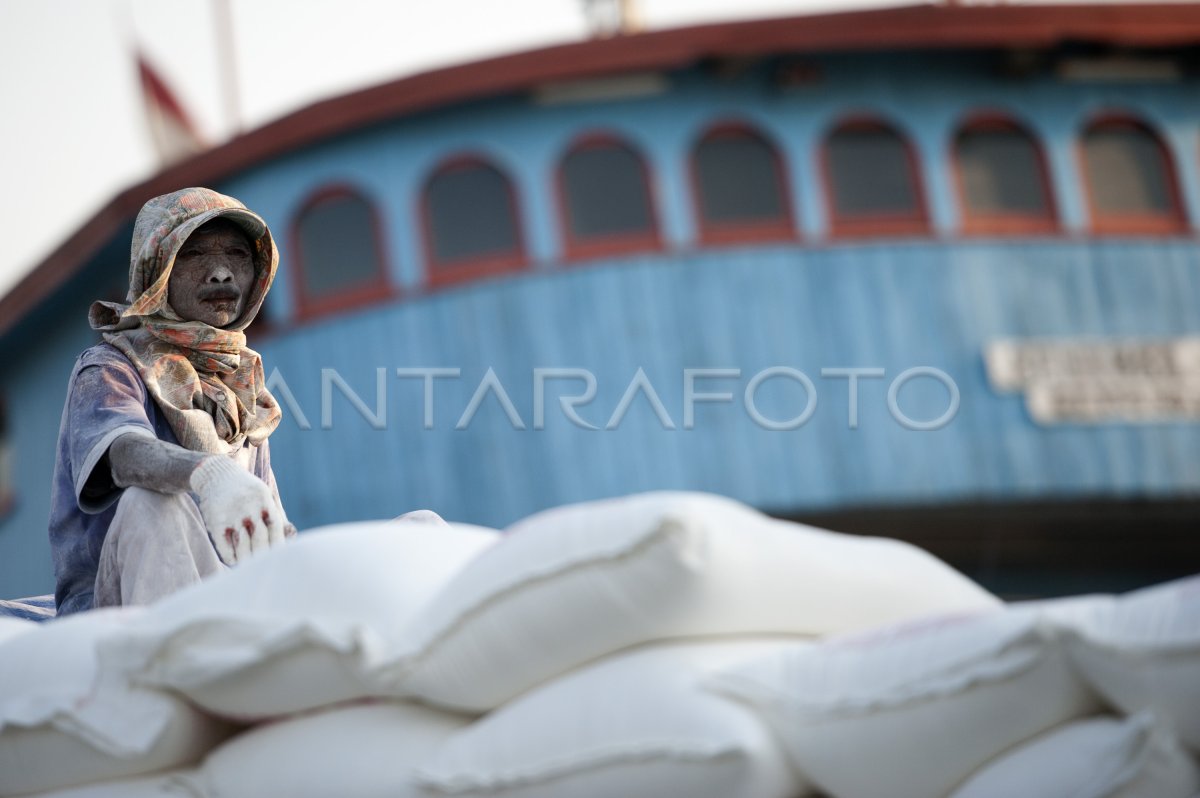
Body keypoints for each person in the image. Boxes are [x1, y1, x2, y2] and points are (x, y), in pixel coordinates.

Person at [48, 187, 294, 616]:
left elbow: (270, 529)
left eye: (237, 254)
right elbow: (124, 452)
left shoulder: (241, 388)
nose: (221, 273)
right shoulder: (110, 366)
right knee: (152, 501)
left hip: (231, 603)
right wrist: (207, 473)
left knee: (416, 530)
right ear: (157, 271)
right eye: (195, 254)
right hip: (115, 609)